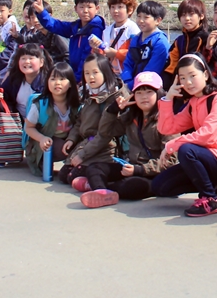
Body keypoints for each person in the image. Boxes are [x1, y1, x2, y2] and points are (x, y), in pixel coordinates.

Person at [153, 53, 217, 217]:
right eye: (183, 78)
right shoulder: (194, 102)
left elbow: (207, 135)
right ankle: (213, 186)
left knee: (186, 149)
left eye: (192, 76)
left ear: (205, 74)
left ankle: (211, 198)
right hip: (209, 157)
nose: (188, 82)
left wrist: (173, 145)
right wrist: (168, 98)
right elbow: (167, 127)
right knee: (160, 187)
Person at [73, 71, 180, 208]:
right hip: (131, 167)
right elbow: (106, 132)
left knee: (133, 186)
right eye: (139, 93)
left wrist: (139, 170)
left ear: (159, 93)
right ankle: (101, 191)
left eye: (149, 92)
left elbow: (169, 161)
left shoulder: (167, 120)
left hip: (154, 173)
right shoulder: (132, 117)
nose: (144, 97)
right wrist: (113, 110)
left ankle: (98, 187)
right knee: (95, 167)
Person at [56, 53, 129, 190]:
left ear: (105, 72)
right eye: (87, 73)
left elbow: (105, 135)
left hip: (106, 147)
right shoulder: (89, 94)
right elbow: (80, 121)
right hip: (87, 144)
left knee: (72, 176)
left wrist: (82, 155)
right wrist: (72, 138)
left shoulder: (115, 97)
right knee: (64, 175)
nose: (91, 77)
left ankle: (94, 183)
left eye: (95, 72)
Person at [24, 61, 82, 177]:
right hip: (45, 142)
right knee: (58, 146)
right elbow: (29, 128)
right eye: (53, 79)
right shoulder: (40, 104)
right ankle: (42, 161)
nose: (57, 83)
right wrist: (41, 138)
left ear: (71, 83)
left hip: (67, 140)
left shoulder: (77, 106)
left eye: (62, 79)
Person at [31, 0, 106, 78]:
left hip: (88, 74)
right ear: (76, 9)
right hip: (76, 73)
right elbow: (55, 25)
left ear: (97, 9)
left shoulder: (96, 29)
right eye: (81, 7)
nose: (85, 11)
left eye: (89, 7)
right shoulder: (75, 27)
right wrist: (41, 12)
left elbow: (87, 55)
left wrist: (78, 78)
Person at [0, 42, 51, 122]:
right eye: (23, 58)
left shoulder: (48, 82)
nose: (27, 61)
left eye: (31, 58)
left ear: (41, 62)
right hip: (17, 122)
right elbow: (2, 91)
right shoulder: (14, 79)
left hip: (41, 123)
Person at [161, 0, 212, 88]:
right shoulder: (179, 41)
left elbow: (210, 64)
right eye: (183, 15)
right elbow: (171, 66)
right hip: (181, 83)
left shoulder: (207, 39)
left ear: (201, 16)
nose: (187, 18)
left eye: (191, 14)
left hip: (201, 84)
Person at [120, 0, 170, 84]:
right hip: (131, 84)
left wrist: (132, 85)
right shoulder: (135, 39)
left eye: (146, 17)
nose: (141, 20)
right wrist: (127, 81)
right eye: (139, 16)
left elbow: (152, 71)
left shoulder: (160, 42)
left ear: (158, 20)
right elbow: (128, 64)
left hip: (149, 85)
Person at [16, 0, 69, 66]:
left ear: (48, 16)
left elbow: (68, 55)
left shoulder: (57, 33)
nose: (35, 20)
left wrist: (59, 70)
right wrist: (16, 35)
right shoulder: (40, 34)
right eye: (32, 17)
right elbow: (26, 40)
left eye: (38, 17)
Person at [100, 0, 140, 76]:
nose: (115, 10)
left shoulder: (133, 30)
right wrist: (96, 48)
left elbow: (135, 54)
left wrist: (116, 53)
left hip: (128, 74)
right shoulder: (106, 31)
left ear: (130, 10)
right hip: (110, 74)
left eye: (120, 7)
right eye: (113, 7)